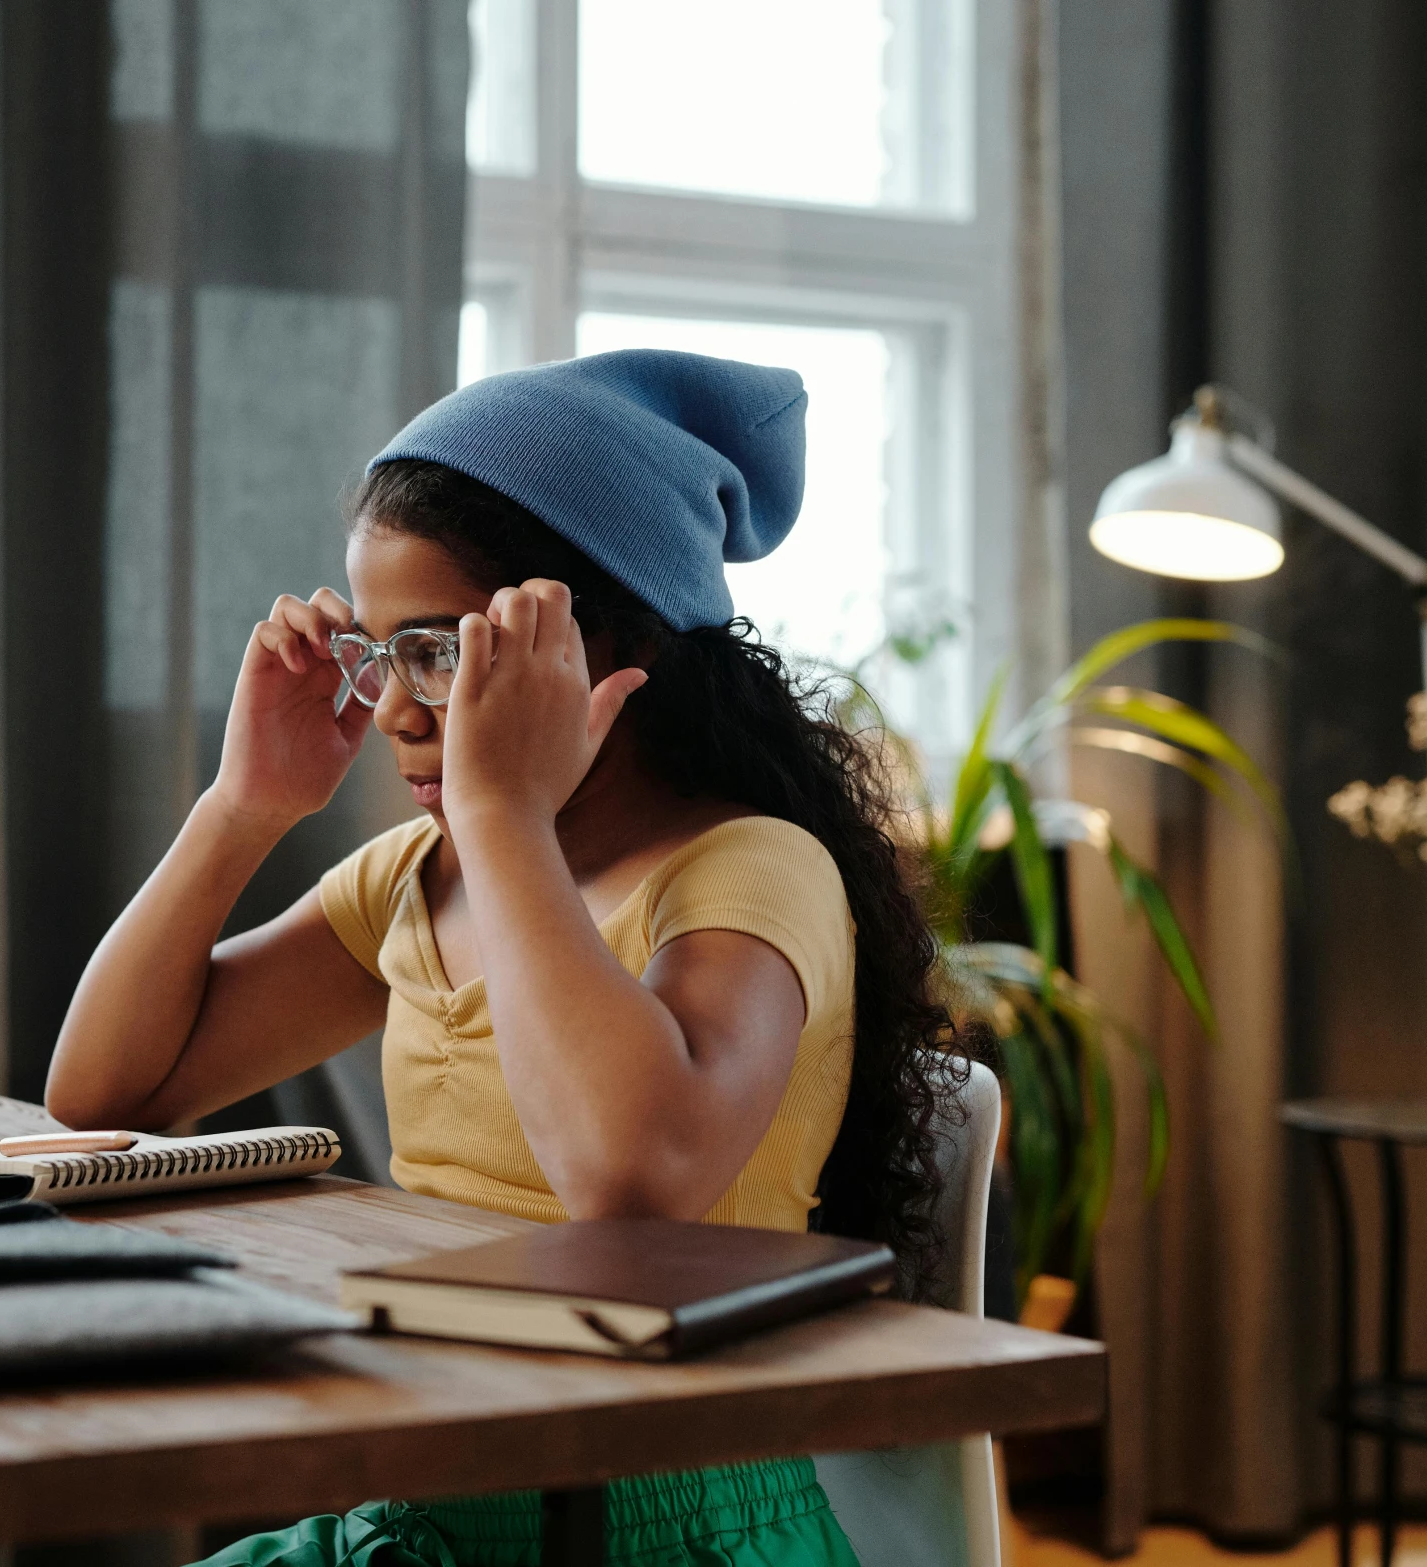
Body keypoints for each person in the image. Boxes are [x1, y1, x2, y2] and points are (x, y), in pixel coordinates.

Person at [47, 350, 967, 1567]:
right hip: (430, 1500)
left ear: (596, 639)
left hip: (657, 1519)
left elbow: (630, 1183)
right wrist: (242, 804)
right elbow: (106, 1090)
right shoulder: (419, 884)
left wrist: (501, 815)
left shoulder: (747, 870)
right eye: (378, 656)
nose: (392, 710)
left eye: (437, 651)